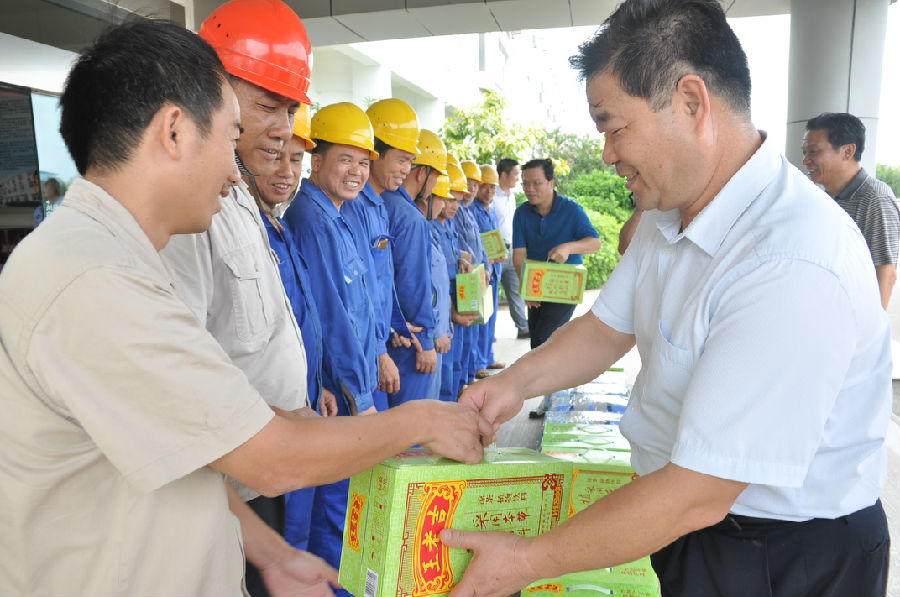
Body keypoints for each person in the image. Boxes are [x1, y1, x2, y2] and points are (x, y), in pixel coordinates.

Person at [445, 1, 891, 596]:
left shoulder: (790, 257)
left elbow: (698, 491)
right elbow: (606, 328)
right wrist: (514, 383)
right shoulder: (669, 212)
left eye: (614, 128)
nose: (607, 154)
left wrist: (524, 562)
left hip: (782, 556)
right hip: (694, 527)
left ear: (690, 102)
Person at [157, 2, 320, 593]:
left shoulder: (244, 197)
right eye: (267, 106)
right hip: (221, 487)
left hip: (265, 475)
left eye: (290, 110)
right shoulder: (187, 214)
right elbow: (178, 397)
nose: (283, 128)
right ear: (209, 93)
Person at [281, 101, 381, 581]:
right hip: (339, 392)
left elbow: (359, 307)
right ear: (317, 161)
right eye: (346, 159)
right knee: (334, 509)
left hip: (340, 385)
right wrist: (358, 395)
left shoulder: (339, 213)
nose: (357, 171)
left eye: (363, 162)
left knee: (342, 502)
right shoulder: (314, 218)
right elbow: (331, 315)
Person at [248, 106, 334, 555]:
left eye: (296, 159)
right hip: (269, 424)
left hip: (302, 402)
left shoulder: (279, 225)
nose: (286, 171)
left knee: (299, 528)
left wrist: (317, 386)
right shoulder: (250, 230)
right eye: (275, 156)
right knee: (283, 540)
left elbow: (300, 323)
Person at [341, 97, 418, 410]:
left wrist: (395, 324)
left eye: (410, 162)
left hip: (378, 342)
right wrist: (379, 351)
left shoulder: (378, 205)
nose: (406, 170)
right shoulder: (354, 207)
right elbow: (355, 293)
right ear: (376, 154)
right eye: (401, 160)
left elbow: (382, 281)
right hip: (363, 352)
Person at [513, 158, 600, 418]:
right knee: (538, 342)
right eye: (525, 183)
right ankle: (555, 393)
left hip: (564, 286)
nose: (530, 189)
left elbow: (594, 243)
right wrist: (525, 289)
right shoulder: (522, 213)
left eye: (536, 183)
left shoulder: (571, 210)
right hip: (536, 285)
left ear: (551, 183)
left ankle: (555, 398)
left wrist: (569, 247)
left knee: (546, 338)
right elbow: (519, 254)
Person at [803, 112, 900, 309]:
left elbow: (886, 272)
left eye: (813, 152)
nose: (806, 161)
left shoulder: (875, 199)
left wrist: (872, 326)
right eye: (804, 153)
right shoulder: (822, 197)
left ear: (848, 151)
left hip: (852, 316)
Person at [382, 129, 447, 405]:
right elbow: (414, 285)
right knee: (415, 426)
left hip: (392, 335)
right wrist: (427, 342)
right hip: (412, 343)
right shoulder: (409, 216)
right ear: (423, 174)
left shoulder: (380, 204)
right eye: (436, 178)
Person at [471, 164, 507, 377]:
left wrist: (500, 254)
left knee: (490, 316)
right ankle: (478, 362)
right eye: (485, 186)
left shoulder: (490, 211)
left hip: (494, 271)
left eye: (493, 187)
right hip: (481, 270)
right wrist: (489, 259)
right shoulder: (472, 211)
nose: (489, 191)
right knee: (480, 319)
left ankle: (487, 357)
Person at [494, 157, 529, 338]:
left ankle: (523, 328)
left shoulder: (512, 196)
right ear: (504, 175)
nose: (518, 178)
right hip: (495, 252)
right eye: (515, 174)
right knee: (491, 293)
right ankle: (488, 333)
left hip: (512, 249)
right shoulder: (492, 196)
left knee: (516, 291)